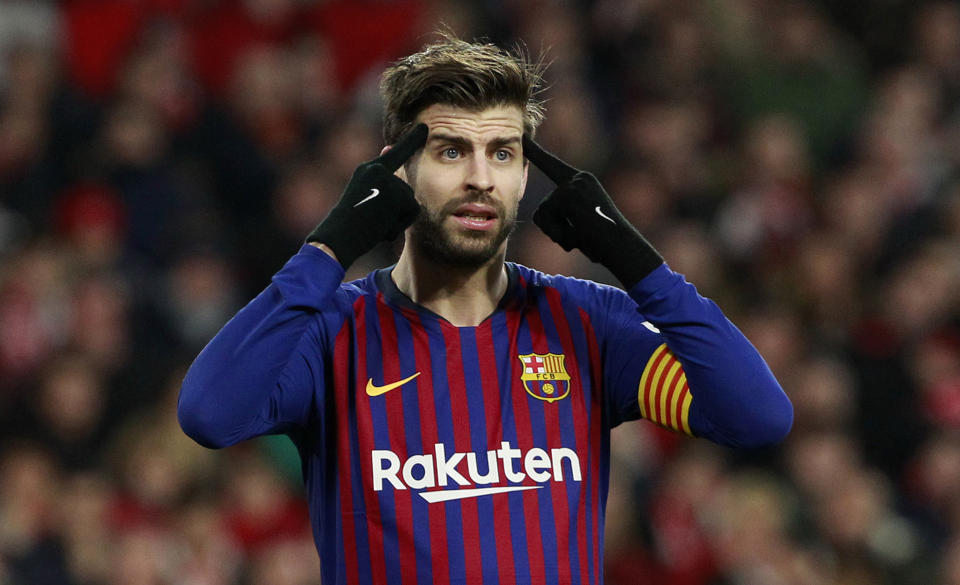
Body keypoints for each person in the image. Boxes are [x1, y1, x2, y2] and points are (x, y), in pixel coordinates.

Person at [178, 34, 793, 585]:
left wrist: (640, 266)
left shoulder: (590, 324)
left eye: (502, 152)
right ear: (400, 166)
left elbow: (756, 417)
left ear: (526, 175)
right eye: (450, 151)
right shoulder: (330, 333)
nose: (480, 178)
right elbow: (209, 413)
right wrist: (329, 248)